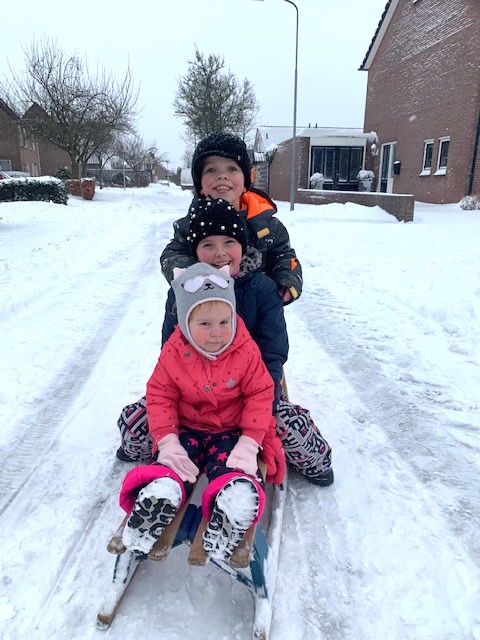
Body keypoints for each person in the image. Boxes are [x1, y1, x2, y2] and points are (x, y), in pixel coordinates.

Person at [117, 198, 333, 486]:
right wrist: (171, 429)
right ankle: (159, 466)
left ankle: (316, 463)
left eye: (229, 242)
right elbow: (170, 354)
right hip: (192, 395)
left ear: (242, 246)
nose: (219, 253)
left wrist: (259, 412)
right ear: (195, 251)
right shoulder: (182, 291)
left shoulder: (262, 289)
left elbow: (272, 353)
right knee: (136, 424)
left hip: (250, 388)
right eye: (208, 245)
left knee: (287, 426)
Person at [118, 261, 285, 560]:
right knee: (177, 460)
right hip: (187, 427)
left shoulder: (245, 350)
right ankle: (163, 491)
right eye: (205, 324)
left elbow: (260, 394)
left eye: (224, 321)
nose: (217, 332)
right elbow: (160, 394)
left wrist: (250, 442)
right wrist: (167, 441)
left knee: (233, 463)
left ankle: (234, 500)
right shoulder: (174, 351)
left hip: (231, 429)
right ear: (185, 322)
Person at [160, 131, 303, 306]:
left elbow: (284, 256)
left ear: (245, 182)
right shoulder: (190, 226)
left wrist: (287, 280)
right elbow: (172, 255)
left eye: (232, 169)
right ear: (200, 185)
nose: (222, 176)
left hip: (256, 312)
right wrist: (194, 276)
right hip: (207, 312)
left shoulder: (267, 226)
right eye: (211, 170)